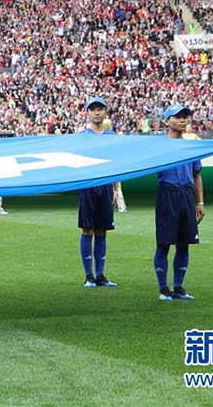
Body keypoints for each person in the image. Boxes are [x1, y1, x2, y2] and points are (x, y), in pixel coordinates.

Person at [154, 105, 205, 302]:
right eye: (178, 116)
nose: (183, 120)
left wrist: (200, 203)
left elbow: (197, 174)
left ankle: (178, 286)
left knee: (184, 243)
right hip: (167, 194)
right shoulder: (160, 146)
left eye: (185, 117)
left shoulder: (191, 146)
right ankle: (163, 287)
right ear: (168, 121)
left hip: (186, 195)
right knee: (164, 243)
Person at [77, 97, 119, 288]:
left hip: (106, 186)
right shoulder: (82, 136)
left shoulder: (112, 136)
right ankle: (89, 275)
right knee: (88, 229)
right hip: (88, 185)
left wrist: (117, 188)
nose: (97, 112)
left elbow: (117, 162)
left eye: (100, 109)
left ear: (105, 112)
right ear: (87, 112)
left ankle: (100, 274)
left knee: (102, 230)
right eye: (93, 109)